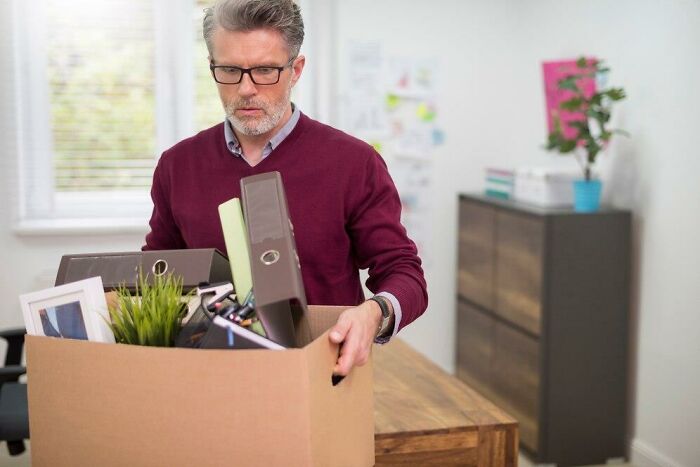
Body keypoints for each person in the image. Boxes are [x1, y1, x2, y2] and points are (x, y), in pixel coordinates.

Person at [143, 0, 427, 376]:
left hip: (323, 379)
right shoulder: (177, 166)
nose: (246, 89)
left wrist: (375, 313)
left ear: (296, 70)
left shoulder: (354, 164)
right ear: (212, 66)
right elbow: (154, 279)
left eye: (264, 70)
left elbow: (403, 271)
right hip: (208, 382)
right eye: (229, 70)